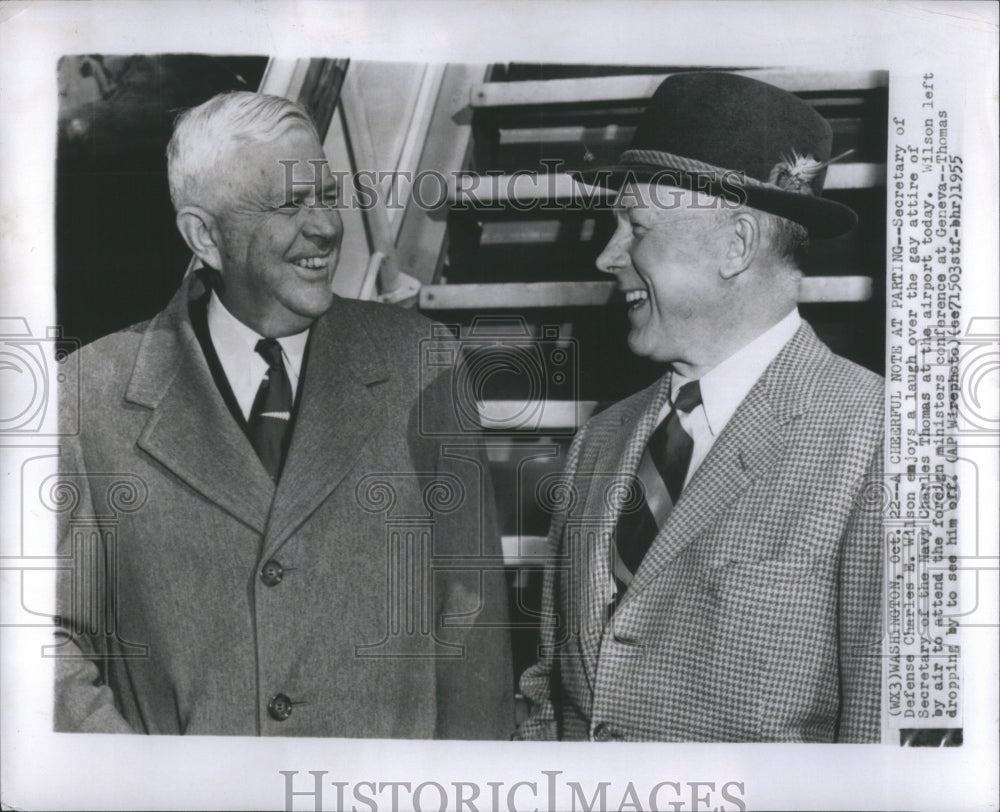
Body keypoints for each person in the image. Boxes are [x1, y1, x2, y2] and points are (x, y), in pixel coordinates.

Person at [54, 91, 513, 737]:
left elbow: (472, 629)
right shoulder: (85, 398)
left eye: (326, 194)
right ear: (204, 236)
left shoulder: (425, 363)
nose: (325, 226)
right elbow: (44, 646)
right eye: (289, 204)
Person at [516, 72, 883, 742]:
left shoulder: (878, 441)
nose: (606, 257)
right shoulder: (600, 441)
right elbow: (551, 698)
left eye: (636, 227)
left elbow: (882, 756)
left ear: (736, 245)